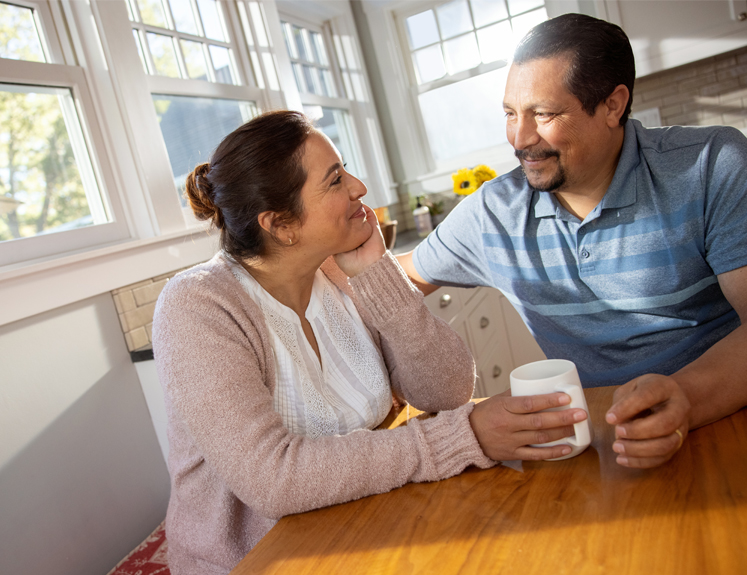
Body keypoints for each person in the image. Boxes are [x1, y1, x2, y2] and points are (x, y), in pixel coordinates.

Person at [153, 110, 588, 575]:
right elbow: (273, 479)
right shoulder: (197, 307)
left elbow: (446, 391)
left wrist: (380, 276)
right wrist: (466, 435)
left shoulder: (335, 271)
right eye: (336, 180)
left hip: (365, 524)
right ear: (282, 225)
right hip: (261, 561)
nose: (359, 187)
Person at [398, 13, 747, 470]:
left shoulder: (712, 164)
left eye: (544, 113)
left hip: (737, 417)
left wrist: (686, 397)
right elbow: (397, 277)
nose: (520, 139)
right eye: (510, 114)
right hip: (603, 443)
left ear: (613, 105)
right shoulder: (493, 213)